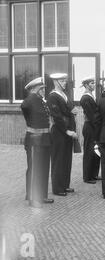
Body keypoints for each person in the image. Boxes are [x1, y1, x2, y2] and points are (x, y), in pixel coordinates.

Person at [21, 77, 53, 208]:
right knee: (34, 168)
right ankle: (32, 197)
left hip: (45, 138)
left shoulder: (41, 101)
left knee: (44, 168)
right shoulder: (29, 101)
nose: (44, 91)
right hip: (34, 139)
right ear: (35, 89)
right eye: (42, 89)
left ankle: (41, 195)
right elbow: (24, 107)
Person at [47, 73, 77, 196]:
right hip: (59, 132)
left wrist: (72, 111)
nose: (65, 82)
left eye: (65, 80)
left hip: (67, 131)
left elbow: (68, 109)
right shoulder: (52, 96)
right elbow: (57, 116)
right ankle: (57, 188)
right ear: (55, 82)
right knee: (58, 159)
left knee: (66, 159)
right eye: (62, 80)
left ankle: (65, 185)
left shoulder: (64, 94)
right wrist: (67, 130)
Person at [80, 76, 100, 184]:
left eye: (93, 83)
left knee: (95, 151)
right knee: (89, 151)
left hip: (93, 126)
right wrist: (98, 126)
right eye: (91, 83)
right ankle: (87, 177)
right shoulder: (86, 98)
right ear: (86, 85)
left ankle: (94, 174)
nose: (93, 85)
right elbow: (92, 116)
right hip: (89, 126)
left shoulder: (90, 96)